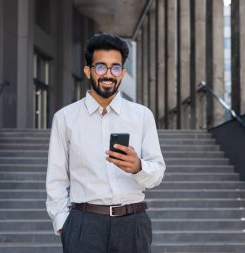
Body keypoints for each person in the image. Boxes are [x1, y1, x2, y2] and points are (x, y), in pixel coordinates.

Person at [46, 33, 165, 253]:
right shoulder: (65, 118)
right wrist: (64, 224)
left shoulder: (142, 116)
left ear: (123, 73)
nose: (108, 74)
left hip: (133, 225)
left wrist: (139, 167)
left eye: (115, 68)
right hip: (84, 225)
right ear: (88, 71)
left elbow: (157, 173)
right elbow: (56, 179)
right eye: (101, 67)